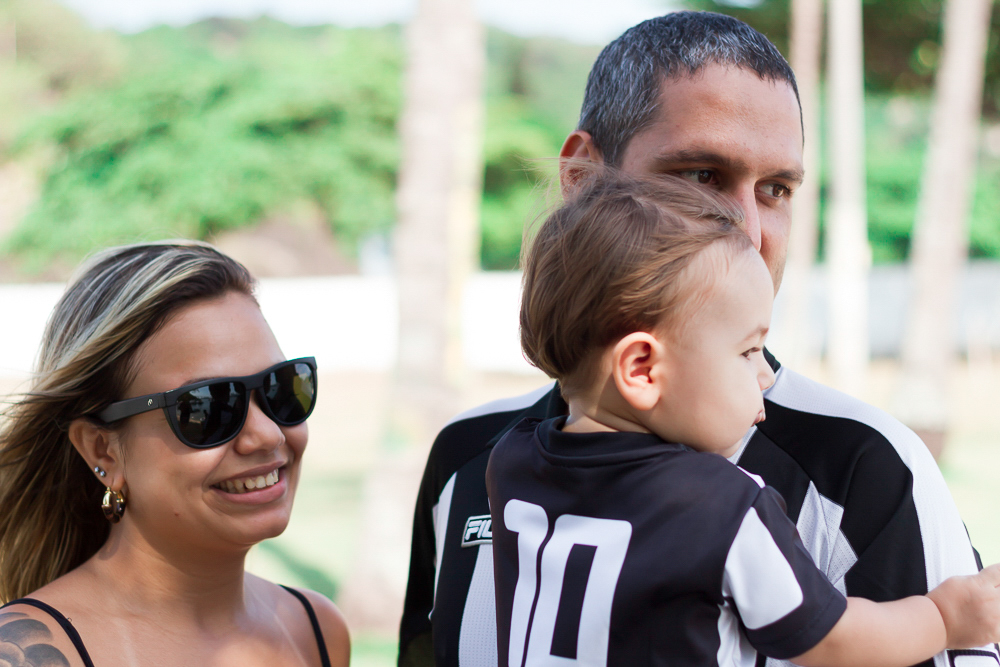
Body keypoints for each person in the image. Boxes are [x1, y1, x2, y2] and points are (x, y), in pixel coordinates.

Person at [398, 11, 998, 667]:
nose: (745, 227)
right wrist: (943, 616)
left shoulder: (870, 469)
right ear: (582, 181)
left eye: (776, 189)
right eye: (701, 176)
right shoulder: (464, 460)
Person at [488, 168, 1000, 666]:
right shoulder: (724, 503)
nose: (765, 376)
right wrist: (943, 617)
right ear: (641, 368)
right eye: (749, 351)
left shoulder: (509, 462)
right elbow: (833, 639)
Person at [0, 241, 349, 667]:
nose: (267, 434)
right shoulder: (30, 654)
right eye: (208, 406)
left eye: (283, 387)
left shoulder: (315, 631)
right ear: (102, 450)